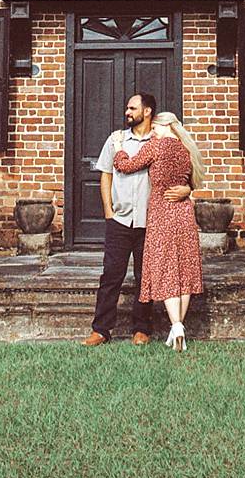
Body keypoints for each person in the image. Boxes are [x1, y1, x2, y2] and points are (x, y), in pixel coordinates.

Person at [84, 93, 192, 346]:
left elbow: (185, 173)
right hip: (120, 220)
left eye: (132, 108)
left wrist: (188, 190)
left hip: (152, 222)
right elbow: (106, 175)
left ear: (147, 111)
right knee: (111, 275)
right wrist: (108, 212)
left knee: (146, 277)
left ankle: (141, 328)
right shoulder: (116, 140)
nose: (127, 112)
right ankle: (101, 329)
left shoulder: (163, 141)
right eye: (127, 108)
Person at [113, 110, 205, 352]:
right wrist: (186, 189)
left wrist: (119, 146)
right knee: (184, 269)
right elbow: (192, 181)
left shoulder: (157, 146)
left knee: (166, 270)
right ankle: (179, 326)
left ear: (166, 126)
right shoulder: (186, 149)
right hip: (184, 213)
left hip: (162, 213)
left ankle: (176, 326)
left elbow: (126, 165)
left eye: (155, 128)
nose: (152, 132)